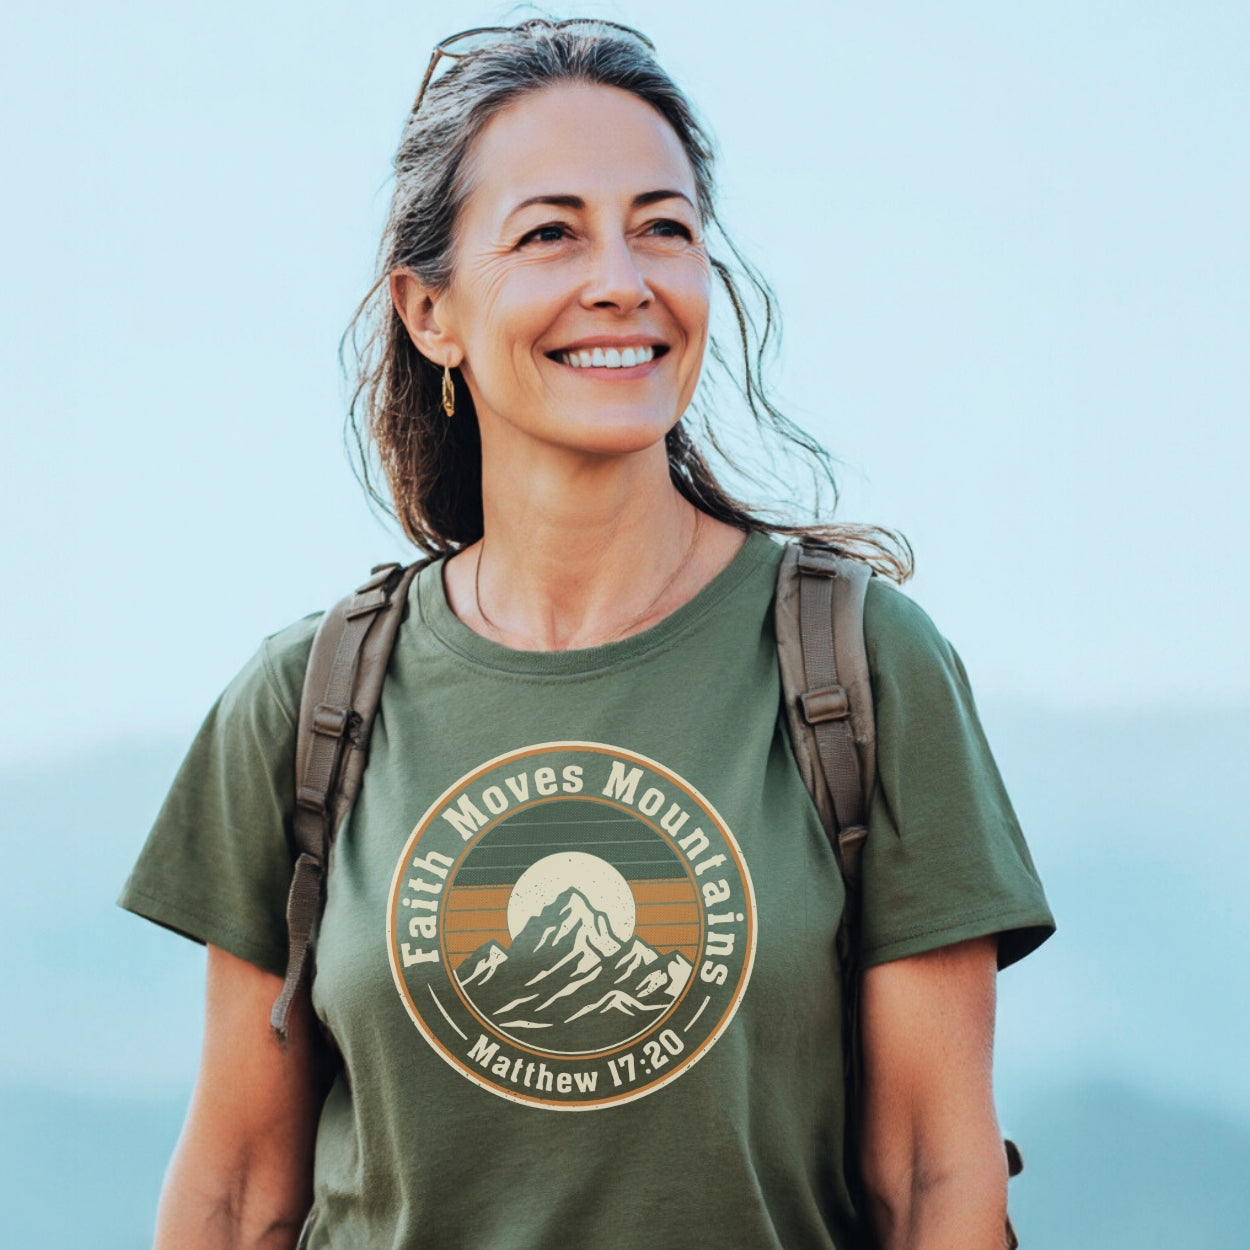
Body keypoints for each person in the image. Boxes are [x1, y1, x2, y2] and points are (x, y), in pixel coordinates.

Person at [119, 19, 1054, 1250]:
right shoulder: (310, 700)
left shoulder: (861, 666)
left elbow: (935, 1178)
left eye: (661, 226)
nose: (621, 277)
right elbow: (238, 1191)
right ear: (428, 309)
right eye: (550, 231)